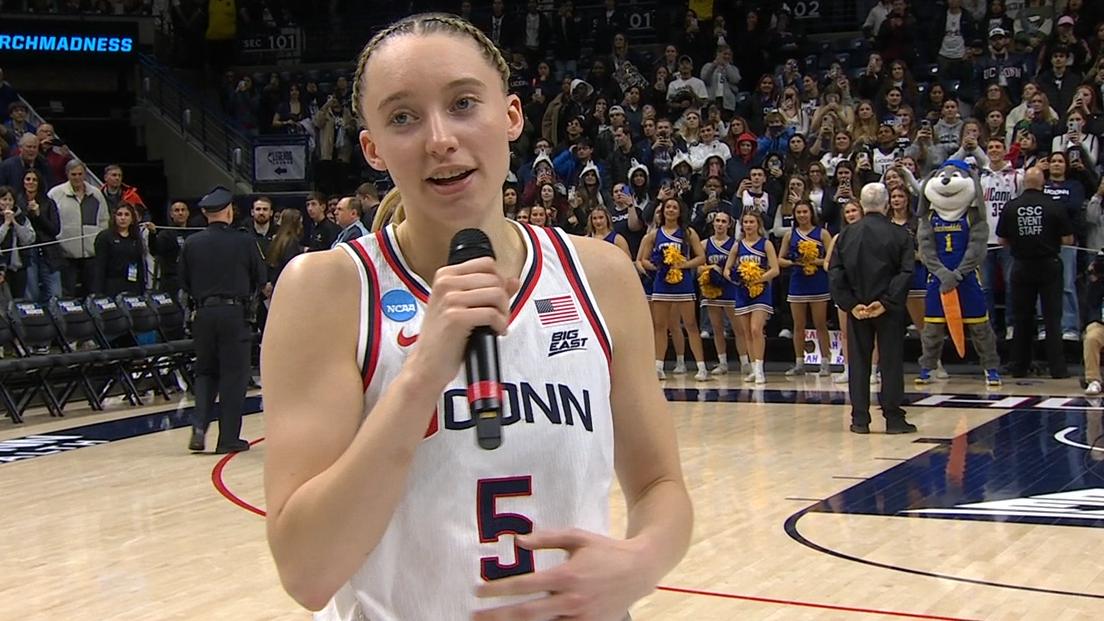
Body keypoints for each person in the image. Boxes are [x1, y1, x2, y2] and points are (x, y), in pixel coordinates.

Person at [261, 13, 692, 620]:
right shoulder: (327, 291)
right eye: (403, 117)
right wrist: (420, 376)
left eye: (464, 103)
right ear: (373, 148)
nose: (439, 138)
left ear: (512, 116)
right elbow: (306, 572)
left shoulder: (600, 276)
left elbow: (659, 487)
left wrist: (642, 559)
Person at [181, 185, 265, 454]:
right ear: (229, 212)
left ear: (207, 214)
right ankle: (228, 437)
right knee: (234, 375)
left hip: (203, 314)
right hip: (234, 313)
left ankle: (198, 428)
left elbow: (182, 281)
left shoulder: (192, 243)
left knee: (205, 372)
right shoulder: (244, 241)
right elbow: (260, 277)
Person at [828, 183, 915, 434]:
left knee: (858, 362)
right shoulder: (900, 234)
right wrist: (886, 302)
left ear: (863, 206)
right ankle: (894, 419)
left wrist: (851, 304)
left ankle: (860, 420)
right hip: (888, 309)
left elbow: (835, 273)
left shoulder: (846, 235)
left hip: (858, 309)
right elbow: (907, 272)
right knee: (890, 362)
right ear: (886, 204)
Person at [996, 166, 1073, 378]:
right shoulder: (1054, 206)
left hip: (1022, 265)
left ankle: (1019, 367)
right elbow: (1068, 240)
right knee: (1051, 318)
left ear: (1024, 183)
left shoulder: (1011, 207)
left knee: (1022, 318)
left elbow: (1002, 240)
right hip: (1049, 265)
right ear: (1042, 183)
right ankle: (1058, 369)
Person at [777, 200, 833, 377]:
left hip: (818, 282)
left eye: (805, 212)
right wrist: (795, 262)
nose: (802, 215)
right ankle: (799, 363)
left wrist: (812, 261)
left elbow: (831, 259)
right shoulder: (789, 235)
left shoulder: (822, 233)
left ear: (811, 213)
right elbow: (780, 260)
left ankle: (825, 363)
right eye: (798, 212)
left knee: (820, 324)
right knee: (798, 325)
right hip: (798, 282)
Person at [724, 210, 779, 385]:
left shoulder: (766, 244)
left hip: (761, 291)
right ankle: (754, 368)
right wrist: (736, 277)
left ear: (758, 225)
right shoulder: (737, 246)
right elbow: (727, 269)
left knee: (756, 329)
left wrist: (758, 278)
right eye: (745, 222)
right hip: (742, 291)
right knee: (747, 332)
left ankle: (761, 369)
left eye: (751, 222)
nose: (748, 225)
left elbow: (775, 269)